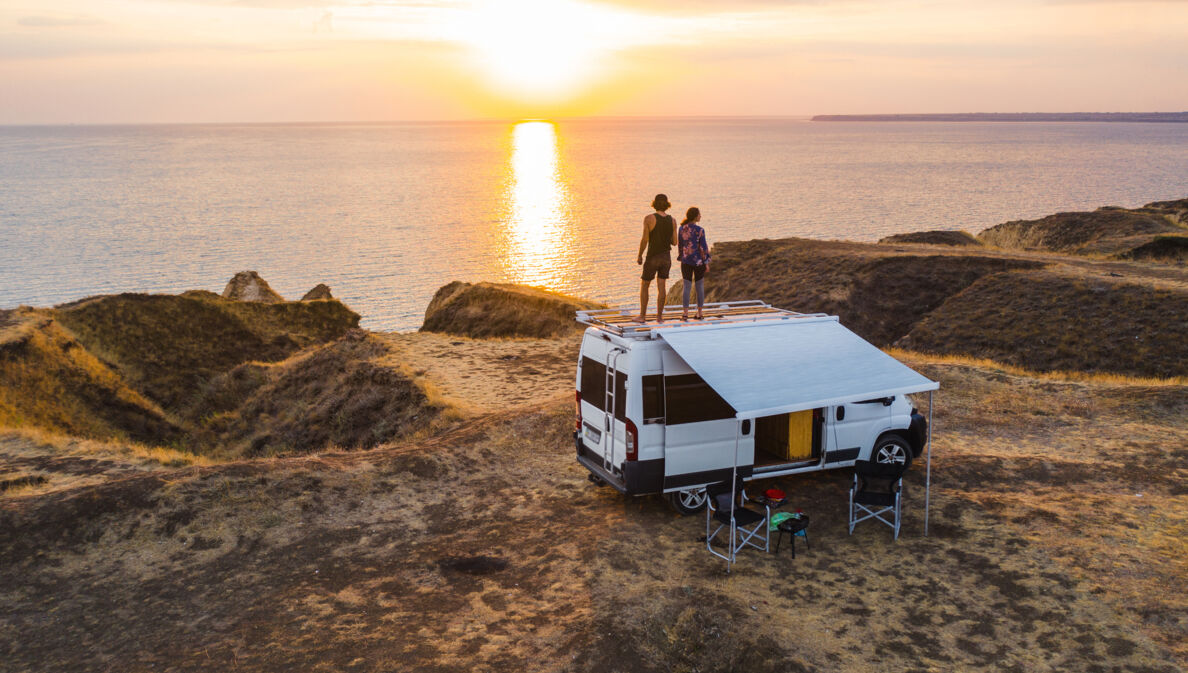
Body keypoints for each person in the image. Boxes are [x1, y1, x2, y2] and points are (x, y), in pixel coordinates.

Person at [636, 193, 678, 323]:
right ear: (667, 204)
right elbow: (675, 242)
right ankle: (659, 317)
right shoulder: (673, 221)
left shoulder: (649, 218)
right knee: (662, 286)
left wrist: (639, 255)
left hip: (653, 256)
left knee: (645, 285)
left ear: (654, 203)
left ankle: (642, 316)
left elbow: (645, 240)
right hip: (666, 257)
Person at [676, 206, 711, 320]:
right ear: (695, 216)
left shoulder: (681, 229)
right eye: (699, 214)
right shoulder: (700, 230)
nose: (700, 216)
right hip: (698, 262)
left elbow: (680, 245)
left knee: (687, 287)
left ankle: (685, 314)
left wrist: (682, 257)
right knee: (699, 287)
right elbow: (703, 247)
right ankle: (700, 313)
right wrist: (706, 262)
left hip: (686, 261)